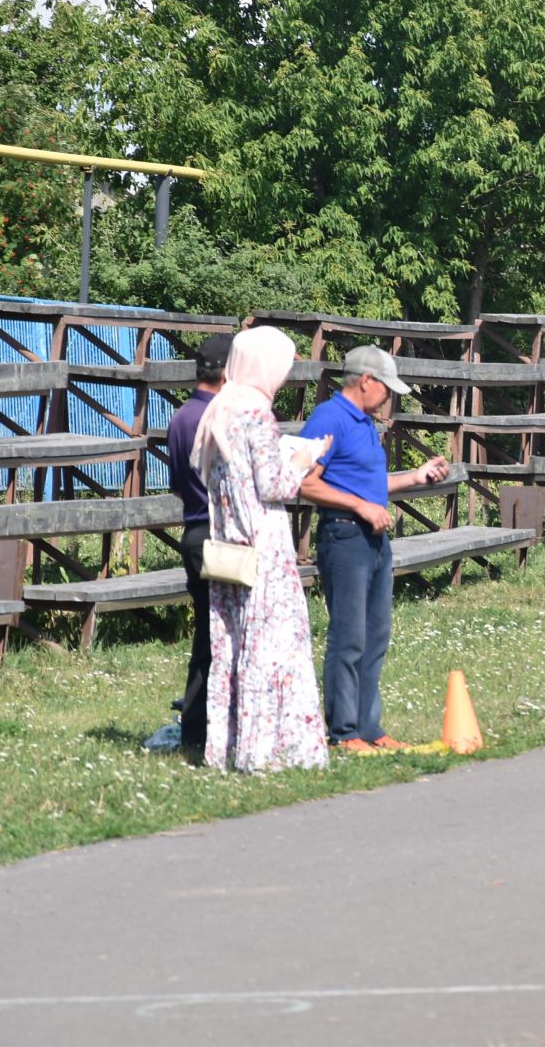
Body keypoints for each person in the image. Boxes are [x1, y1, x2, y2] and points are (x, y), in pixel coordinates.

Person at [190, 325, 332, 772]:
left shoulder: (221, 408)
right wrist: (305, 458)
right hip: (264, 544)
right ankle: (270, 749)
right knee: (273, 645)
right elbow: (274, 485)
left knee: (233, 646)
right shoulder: (256, 412)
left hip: (229, 541)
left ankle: (228, 747)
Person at [299, 346, 454, 756]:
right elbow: (302, 481)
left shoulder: (365, 422)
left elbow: (369, 484)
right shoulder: (329, 418)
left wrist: (415, 478)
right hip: (346, 536)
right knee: (348, 638)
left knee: (375, 636)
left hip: (374, 539)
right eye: (386, 389)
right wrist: (359, 506)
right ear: (366, 380)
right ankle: (344, 732)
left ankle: (369, 727)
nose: (389, 397)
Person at [162, 331, 235, 751]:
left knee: (205, 638)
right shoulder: (219, 418)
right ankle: (215, 730)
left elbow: (177, 486)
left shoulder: (181, 417)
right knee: (225, 636)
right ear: (226, 372)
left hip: (192, 531)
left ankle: (195, 732)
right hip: (219, 532)